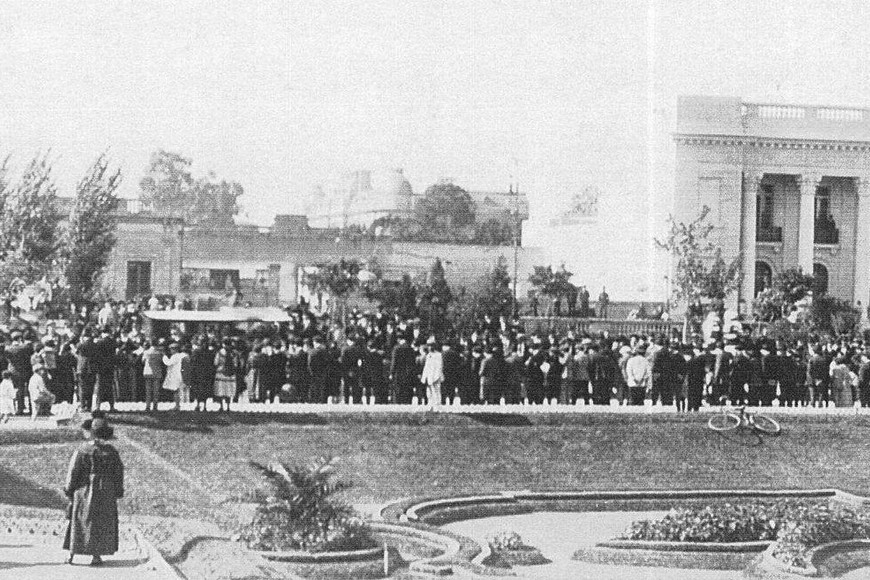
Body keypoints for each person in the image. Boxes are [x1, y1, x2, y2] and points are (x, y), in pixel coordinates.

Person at [64, 417, 124, 566]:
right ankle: (96, 556)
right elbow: (118, 473)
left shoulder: (82, 450)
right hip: (106, 491)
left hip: (84, 490)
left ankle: (72, 555)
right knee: (100, 522)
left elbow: (73, 471)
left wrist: (69, 489)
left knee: (79, 521)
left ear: (90, 432)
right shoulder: (112, 452)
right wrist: (117, 490)